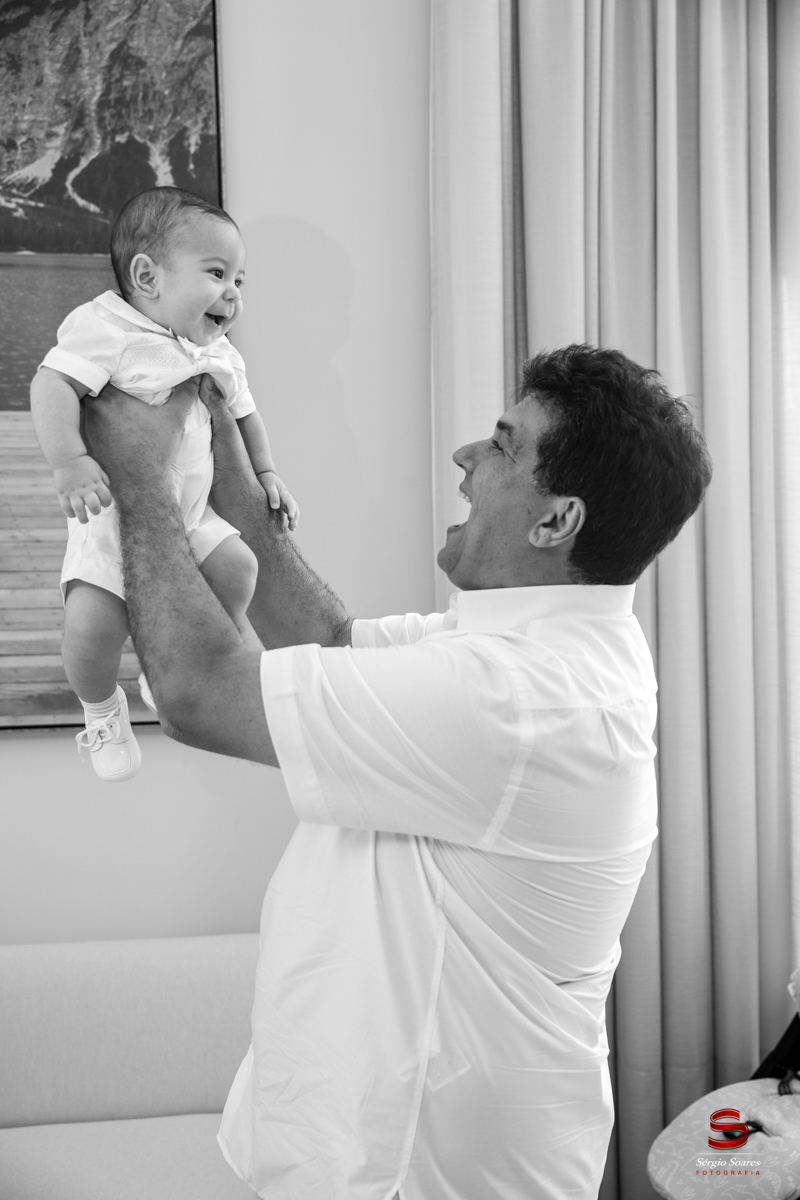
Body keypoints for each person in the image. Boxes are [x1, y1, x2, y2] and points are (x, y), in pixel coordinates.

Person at [82, 344, 712, 1200]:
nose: (465, 457)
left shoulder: (519, 697)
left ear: (555, 521)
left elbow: (199, 694)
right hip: (364, 1143)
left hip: (426, 1171)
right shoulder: (537, 644)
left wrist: (137, 474)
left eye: (502, 446)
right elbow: (332, 642)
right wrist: (215, 427)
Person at [29, 186, 298, 782]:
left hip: (191, 516)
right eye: (217, 273)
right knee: (91, 627)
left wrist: (267, 473)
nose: (233, 292)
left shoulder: (221, 353)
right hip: (111, 517)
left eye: (240, 280)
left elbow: (247, 415)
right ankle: (101, 709)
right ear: (147, 277)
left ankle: (180, 665)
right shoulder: (106, 328)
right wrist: (69, 461)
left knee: (239, 568)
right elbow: (52, 384)